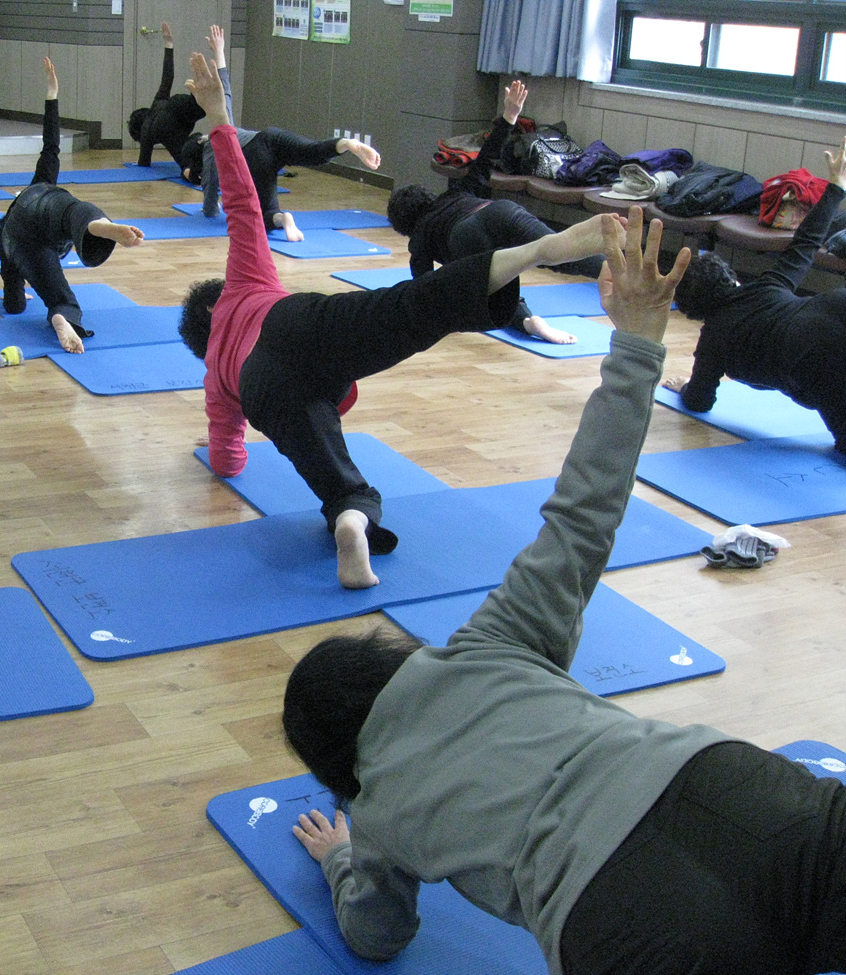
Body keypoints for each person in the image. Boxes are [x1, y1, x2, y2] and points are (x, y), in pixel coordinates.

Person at [284, 210, 846, 975]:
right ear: (387, 662)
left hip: (618, 909)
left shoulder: (378, 810)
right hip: (722, 786)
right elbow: (585, 511)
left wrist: (341, 859)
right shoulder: (490, 644)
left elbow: (377, 933)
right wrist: (638, 343)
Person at [178, 51, 616, 589]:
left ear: (201, 343)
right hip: (298, 322)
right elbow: (243, 202)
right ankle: (536, 250)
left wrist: (227, 453)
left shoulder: (214, 375)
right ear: (216, 298)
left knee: (340, 484)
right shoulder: (245, 281)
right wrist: (220, 116)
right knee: (415, 307)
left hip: (262, 387)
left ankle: (351, 522)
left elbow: (227, 459)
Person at [664, 135, 846, 454]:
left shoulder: (714, 340)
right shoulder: (765, 285)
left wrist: (685, 388)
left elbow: (700, 400)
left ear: (692, 311)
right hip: (832, 313)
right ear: (731, 278)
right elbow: (805, 242)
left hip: (816, 361)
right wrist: (837, 188)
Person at [386, 81, 605, 344]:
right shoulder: (456, 193)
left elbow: (424, 285)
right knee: (558, 250)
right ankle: (615, 267)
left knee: (493, 292)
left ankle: (527, 320)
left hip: (463, 236)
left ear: (405, 226)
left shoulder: (420, 236)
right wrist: (509, 116)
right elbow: (485, 160)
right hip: (499, 212)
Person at [0, 57, 145, 354]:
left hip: (27, 239)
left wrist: (18, 288)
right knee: (73, 212)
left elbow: (13, 305)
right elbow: (51, 145)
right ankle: (99, 225)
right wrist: (52, 96)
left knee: (62, 300)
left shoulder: (10, 251)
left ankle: (62, 318)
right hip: (49, 203)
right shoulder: (40, 180)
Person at [179, 25, 381, 242]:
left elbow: (211, 198)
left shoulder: (213, 150)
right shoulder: (227, 123)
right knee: (311, 151)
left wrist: (210, 210)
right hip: (270, 137)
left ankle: (284, 218)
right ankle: (347, 144)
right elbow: (224, 91)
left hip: (256, 155)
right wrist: (219, 51)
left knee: (264, 214)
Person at [130, 22, 206, 168]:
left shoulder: (146, 128)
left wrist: (139, 164)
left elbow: (144, 162)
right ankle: (197, 95)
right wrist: (168, 43)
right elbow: (167, 77)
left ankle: (195, 165)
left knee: (187, 164)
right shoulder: (158, 101)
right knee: (199, 109)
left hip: (167, 125)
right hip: (179, 104)